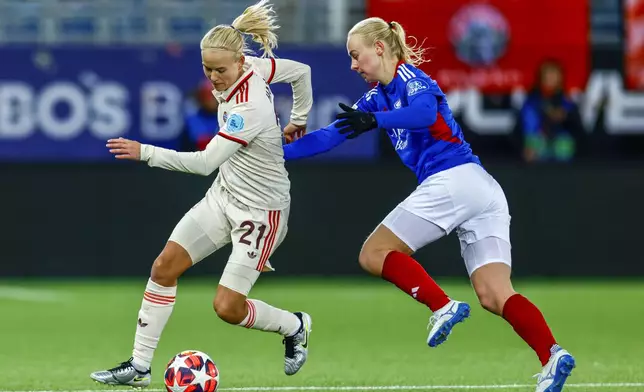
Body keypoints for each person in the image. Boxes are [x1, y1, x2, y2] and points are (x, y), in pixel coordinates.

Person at [282, 17, 575, 392]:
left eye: (356, 56)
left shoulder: (411, 79)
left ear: (380, 49)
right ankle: (552, 354)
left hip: (455, 178)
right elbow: (326, 137)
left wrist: (375, 120)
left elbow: (425, 115)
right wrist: (276, 153)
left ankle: (441, 306)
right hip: (481, 190)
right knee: (494, 293)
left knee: (374, 253)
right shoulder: (375, 98)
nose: (353, 65)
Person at [90, 1, 313, 386]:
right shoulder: (256, 67)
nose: (213, 78)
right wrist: (300, 118)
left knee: (227, 307)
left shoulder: (250, 107)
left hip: (261, 214)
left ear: (241, 61)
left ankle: (294, 325)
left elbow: (205, 162)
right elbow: (302, 73)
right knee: (164, 266)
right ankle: (139, 367)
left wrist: (146, 152)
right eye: (207, 69)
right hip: (224, 195)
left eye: (220, 70)